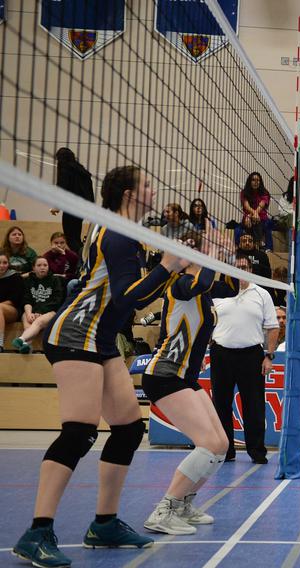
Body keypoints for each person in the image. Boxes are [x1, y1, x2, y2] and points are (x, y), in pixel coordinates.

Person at [13, 166, 188, 566]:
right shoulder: (120, 233)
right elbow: (130, 300)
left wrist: (166, 266)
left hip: (101, 338)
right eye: (147, 184)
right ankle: (37, 531)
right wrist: (167, 267)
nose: (153, 188)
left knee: (128, 429)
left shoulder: (122, 229)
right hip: (77, 334)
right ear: (129, 193)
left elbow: (130, 296)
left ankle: (104, 522)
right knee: (79, 431)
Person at [141, 231, 238, 535]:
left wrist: (227, 254)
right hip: (165, 375)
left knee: (221, 444)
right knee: (209, 443)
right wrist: (212, 252)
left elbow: (232, 288)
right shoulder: (179, 286)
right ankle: (164, 509)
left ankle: (183, 504)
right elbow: (202, 281)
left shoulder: (202, 291)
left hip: (185, 378)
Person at [210, 255, 280, 464]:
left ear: (249, 269)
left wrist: (268, 355)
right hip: (221, 354)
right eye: (236, 267)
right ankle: (226, 450)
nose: (239, 270)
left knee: (254, 405)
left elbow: (273, 326)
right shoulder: (218, 292)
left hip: (251, 355)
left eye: (243, 267)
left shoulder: (262, 293)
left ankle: (257, 451)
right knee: (221, 404)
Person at [12, 258, 65, 354]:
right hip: (32, 310)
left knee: (38, 322)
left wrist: (41, 311)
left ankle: (21, 338)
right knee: (26, 317)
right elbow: (26, 299)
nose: (42, 268)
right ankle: (26, 345)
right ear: (33, 268)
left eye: (45, 265)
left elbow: (57, 301)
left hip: (50, 311)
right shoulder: (28, 280)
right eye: (39, 265)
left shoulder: (55, 280)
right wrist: (29, 313)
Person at [51, 147, 94, 254]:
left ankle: (82, 260)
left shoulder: (65, 168)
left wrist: (57, 205)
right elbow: (89, 189)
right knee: (76, 238)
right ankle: (83, 257)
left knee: (71, 238)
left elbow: (62, 187)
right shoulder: (81, 170)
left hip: (71, 206)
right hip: (83, 207)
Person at [240, 171, 272, 250]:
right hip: (248, 217)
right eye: (253, 180)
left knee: (256, 221)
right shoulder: (244, 193)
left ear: (260, 182)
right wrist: (250, 216)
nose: (255, 182)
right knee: (251, 221)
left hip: (262, 218)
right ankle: (253, 246)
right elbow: (246, 206)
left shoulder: (265, 193)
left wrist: (252, 215)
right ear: (249, 181)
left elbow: (261, 206)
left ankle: (256, 246)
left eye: (258, 180)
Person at [0, 253, 24, 352]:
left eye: (5, 263)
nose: (1, 265)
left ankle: (0, 343)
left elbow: (13, 300)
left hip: (12, 310)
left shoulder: (15, 277)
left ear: (8, 264)